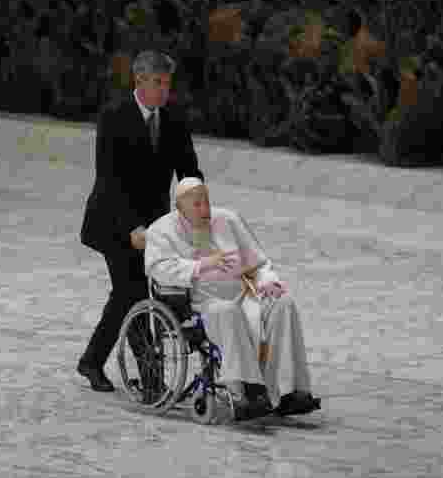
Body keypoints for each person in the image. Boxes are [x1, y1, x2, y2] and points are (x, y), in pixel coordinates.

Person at [77, 51, 205, 391]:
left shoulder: (174, 117)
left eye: (168, 84)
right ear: (139, 81)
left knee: (127, 295)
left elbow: (189, 168)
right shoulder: (114, 117)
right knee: (133, 292)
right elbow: (109, 180)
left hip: (154, 222)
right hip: (114, 221)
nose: (165, 91)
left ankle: (91, 361)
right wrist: (132, 227)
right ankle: (151, 382)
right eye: (158, 83)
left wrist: (198, 209)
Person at [143, 177, 321, 417]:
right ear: (180, 208)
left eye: (206, 201)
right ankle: (248, 393)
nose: (205, 209)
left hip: (243, 294)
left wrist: (267, 280)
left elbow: (258, 262)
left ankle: (289, 391)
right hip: (201, 301)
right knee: (227, 312)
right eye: (197, 205)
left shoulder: (227, 219)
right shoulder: (161, 231)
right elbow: (158, 268)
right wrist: (201, 265)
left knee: (283, 303)